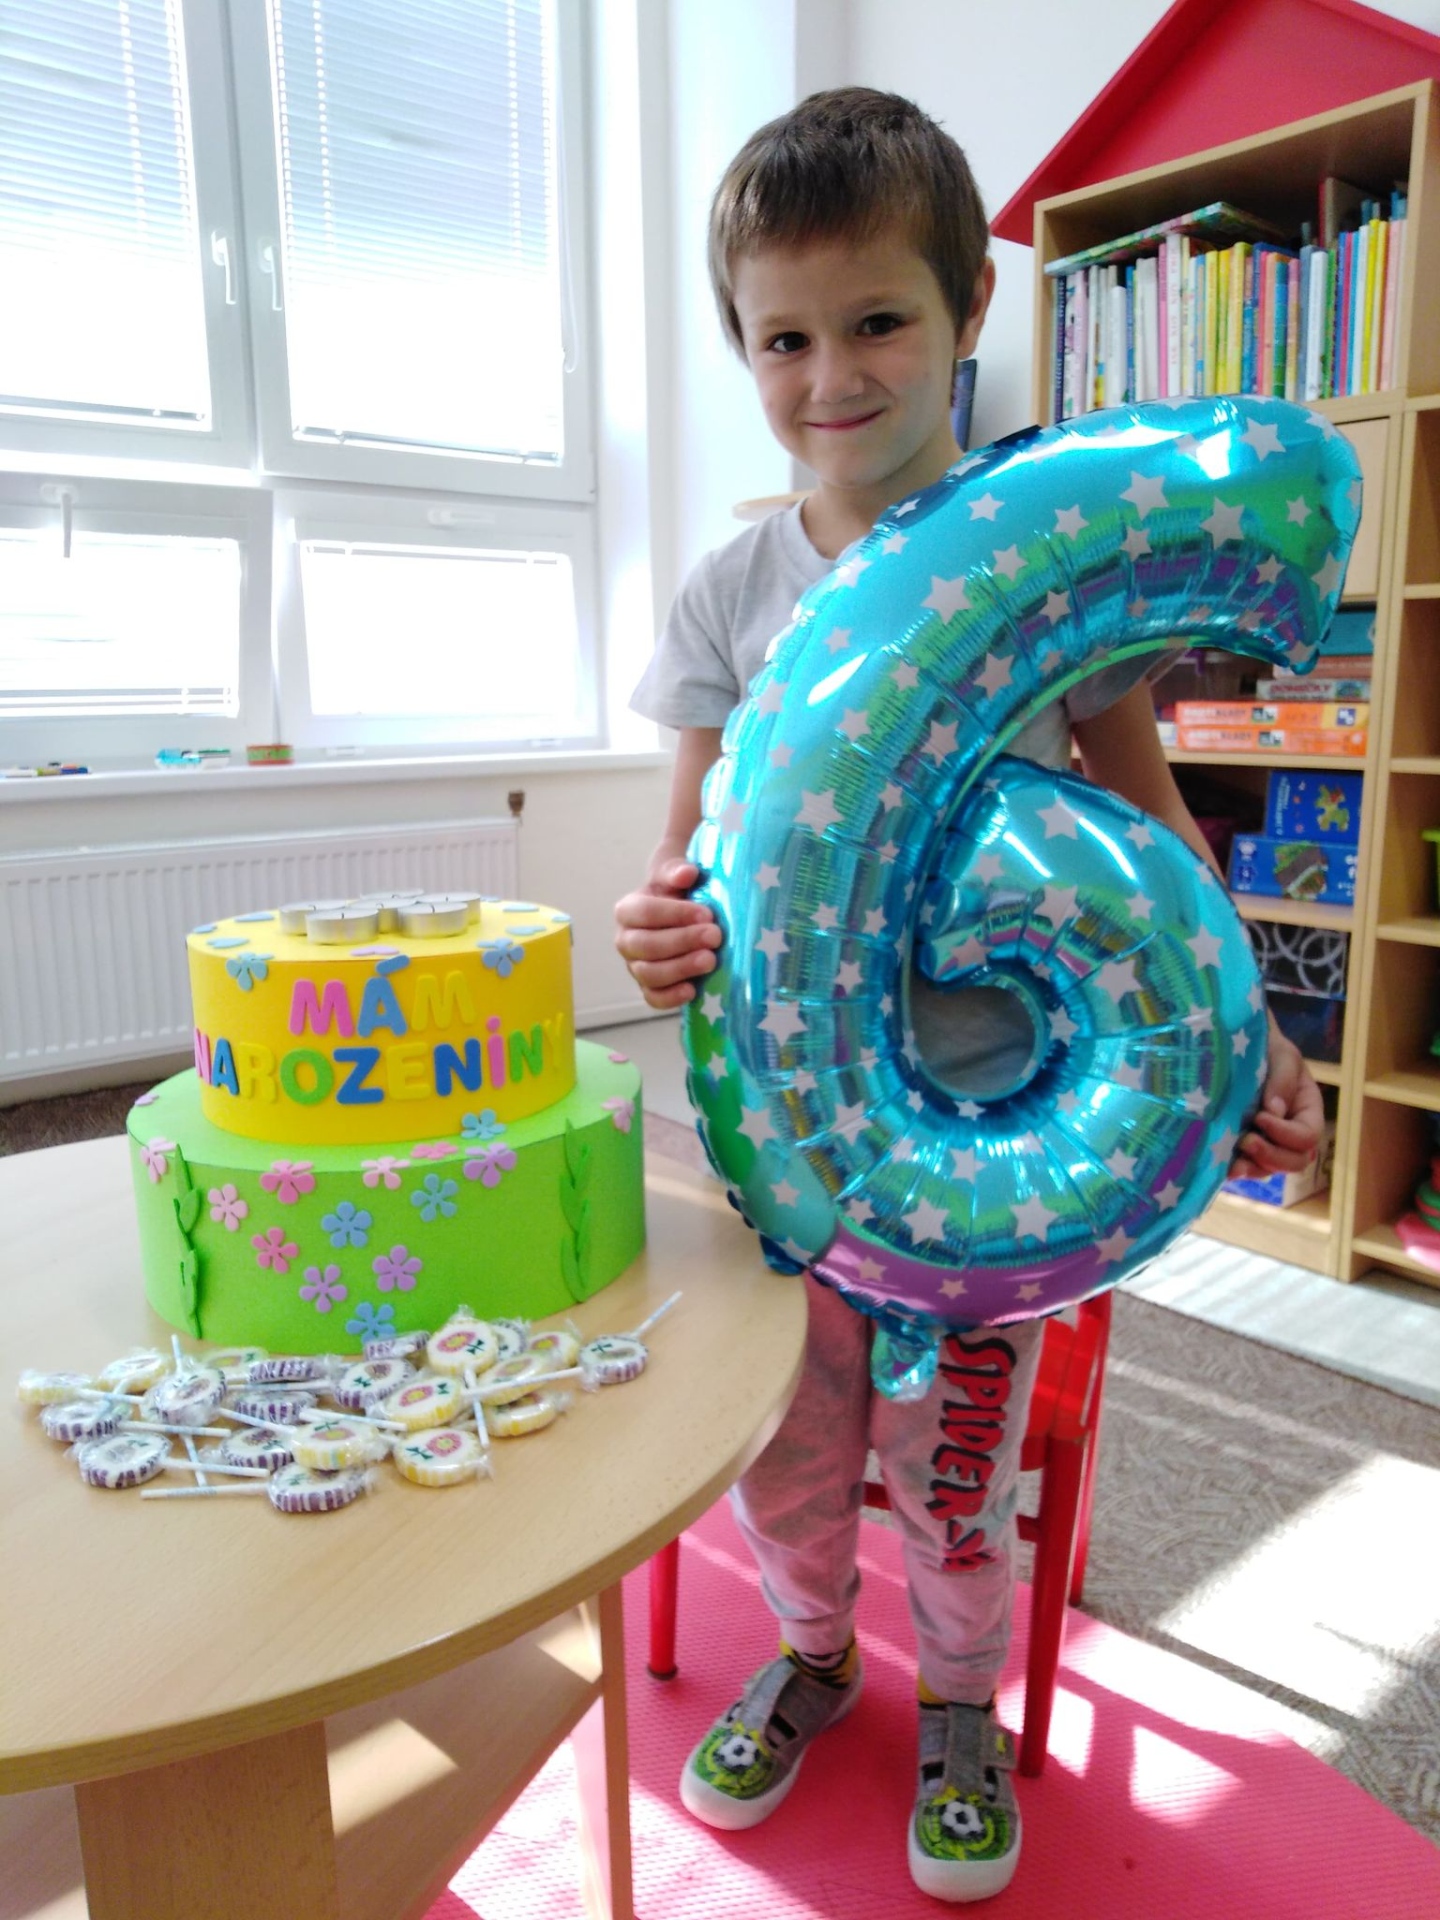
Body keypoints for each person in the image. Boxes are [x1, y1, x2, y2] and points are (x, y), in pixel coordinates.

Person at [614, 87, 1324, 1903]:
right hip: (792, 1148)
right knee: (791, 1456)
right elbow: (681, 860)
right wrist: (653, 927)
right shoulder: (733, 591)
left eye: (877, 322)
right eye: (782, 338)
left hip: (1011, 1146)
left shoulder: (1048, 554)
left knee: (954, 1469)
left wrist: (1257, 1036)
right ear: (739, 345)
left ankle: (955, 1703)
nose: (830, 375)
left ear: (968, 312)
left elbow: (1160, 830)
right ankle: (812, 1653)